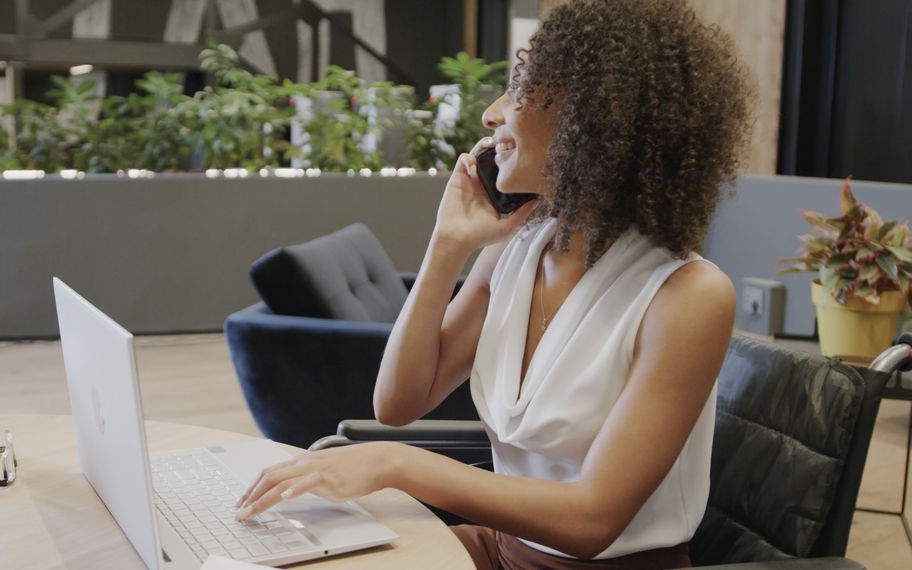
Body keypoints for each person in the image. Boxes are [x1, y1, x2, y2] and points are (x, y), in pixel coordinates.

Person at [235, 0, 754, 567]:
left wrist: (399, 465)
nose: (491, 114)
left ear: (592, 117)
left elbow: (592, 520)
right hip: (500, 550)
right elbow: (398, 403)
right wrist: (447, 243)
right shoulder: (515, 249)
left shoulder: (686, 296)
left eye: (520, 90)